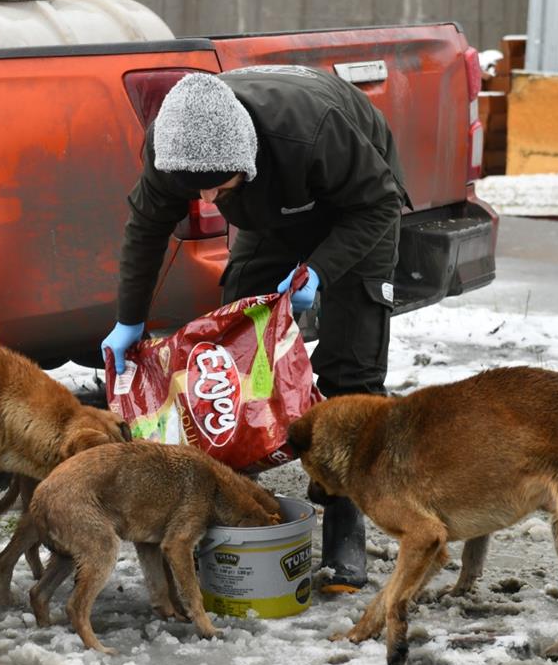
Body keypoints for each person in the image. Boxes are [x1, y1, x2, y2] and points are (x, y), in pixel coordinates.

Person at [101, 66, 408, 593]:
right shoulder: (172, 148)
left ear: (246, 161)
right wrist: (130, 318)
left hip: (358, 207)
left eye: (221, 189)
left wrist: (321, 271)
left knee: (351, 367)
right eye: (199, 194)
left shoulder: (313, 130)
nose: (211, 201)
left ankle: (342, 521)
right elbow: (146, 229)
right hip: (273, 213)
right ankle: (233, 498)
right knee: (232, 344)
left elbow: (378, 203)